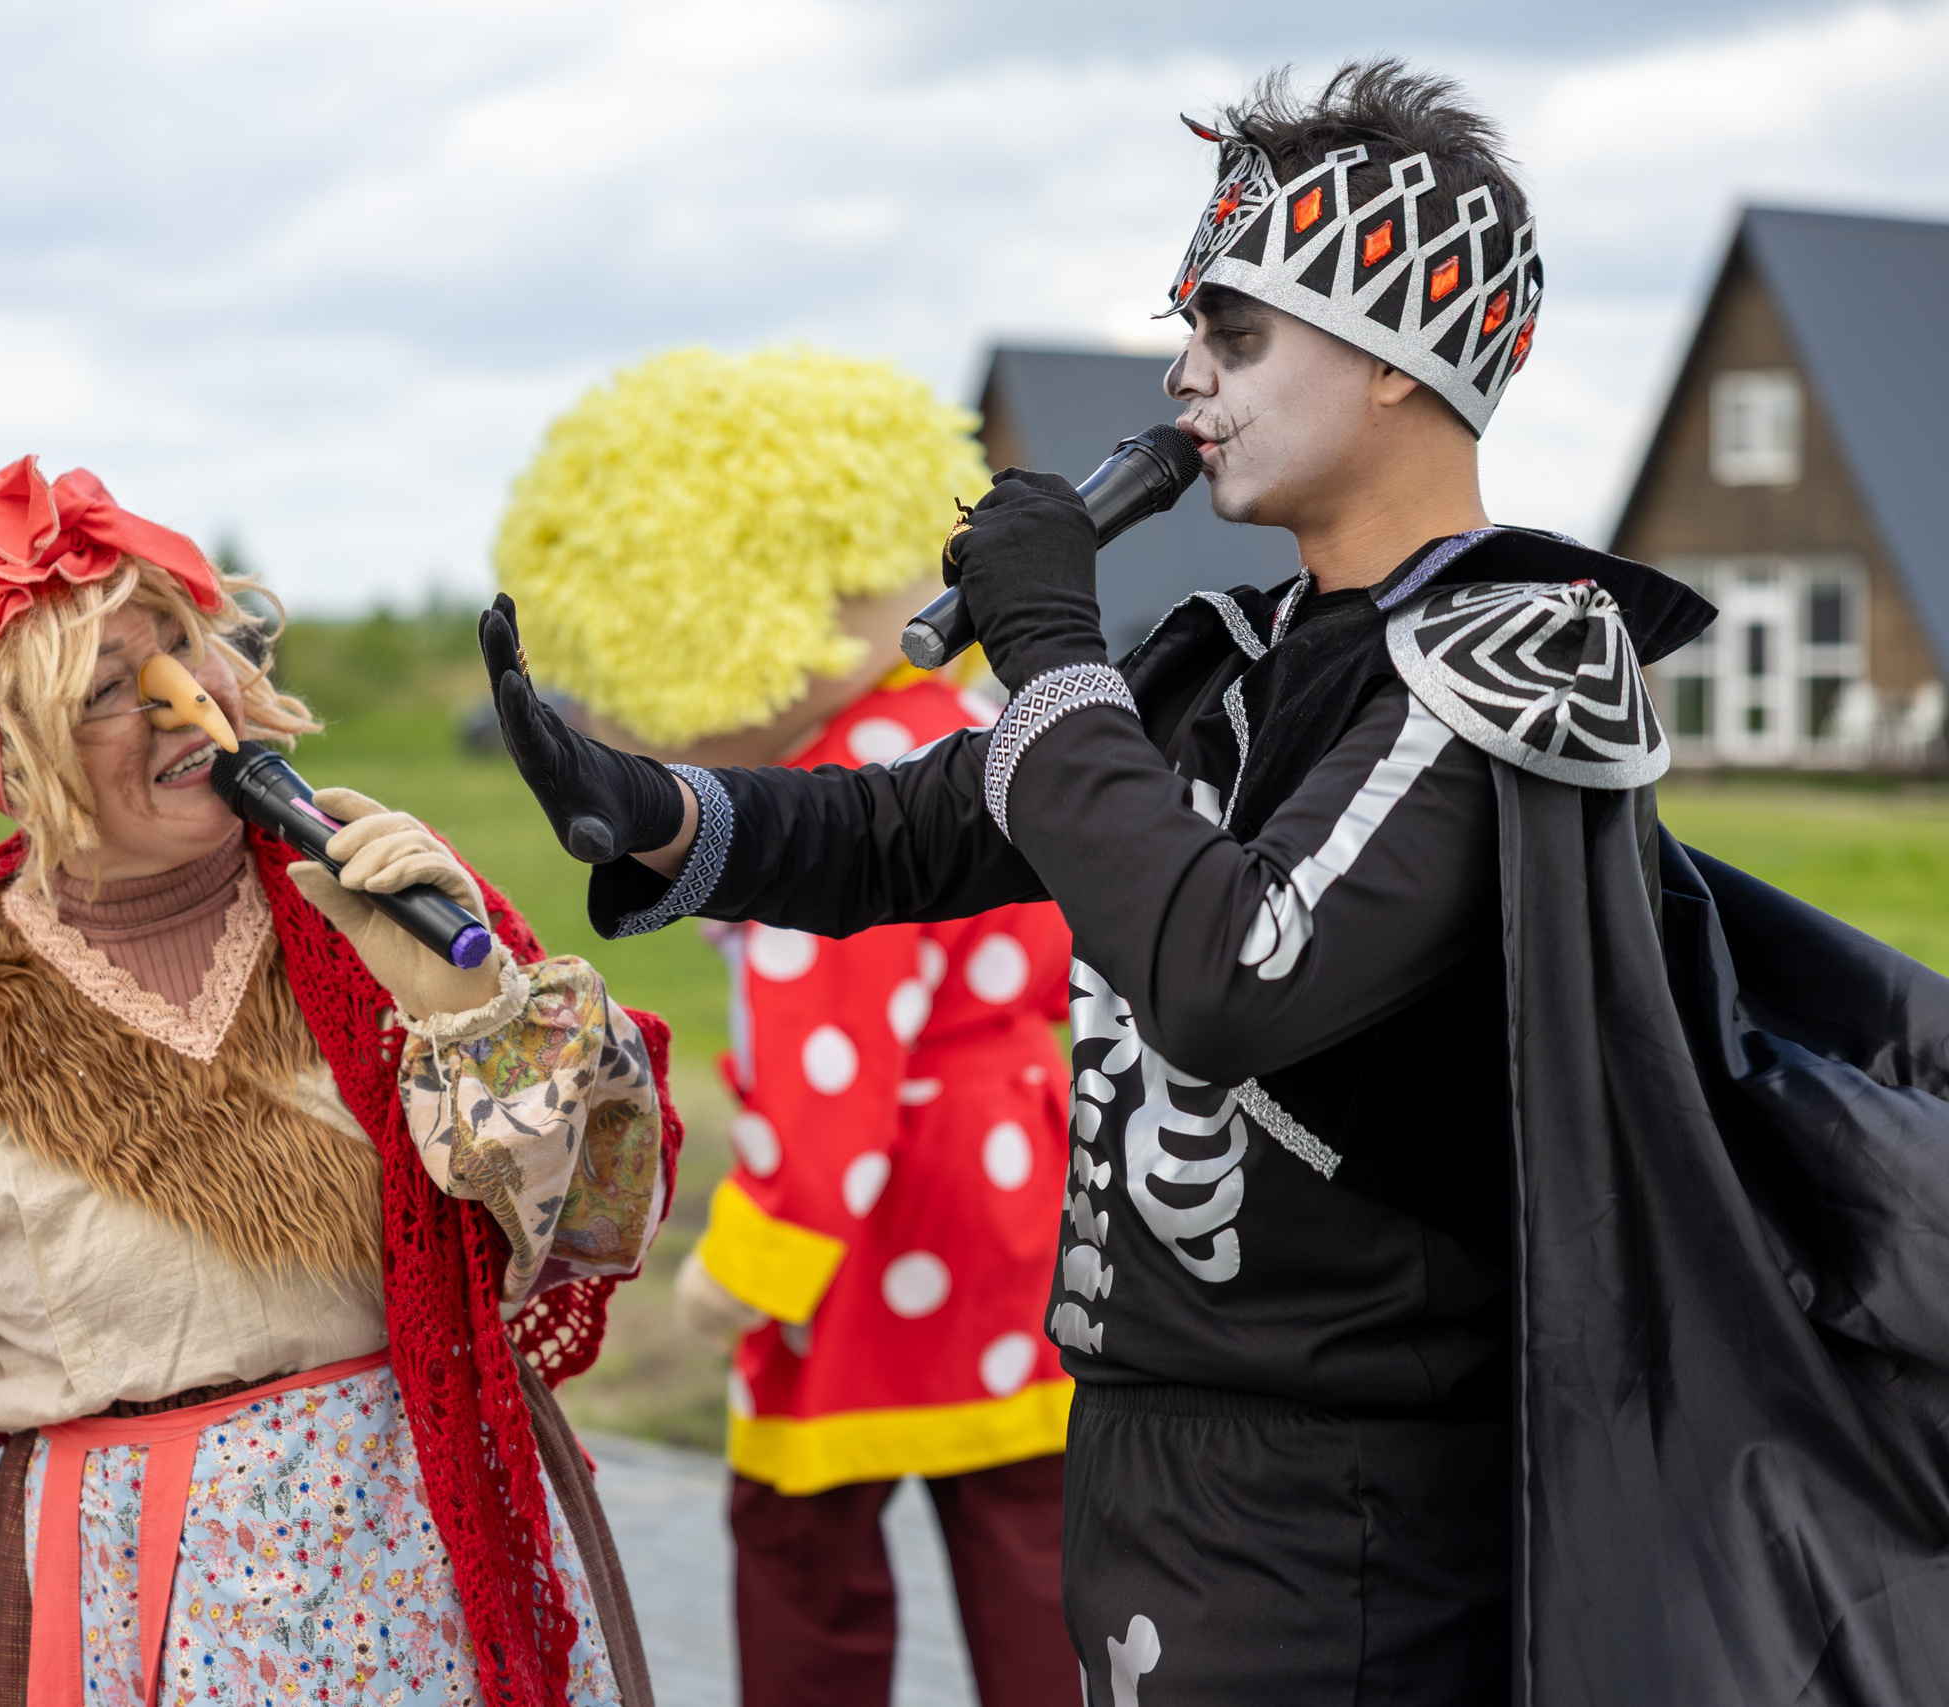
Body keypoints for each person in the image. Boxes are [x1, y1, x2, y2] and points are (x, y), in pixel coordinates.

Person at [481, 62, 1949, 1707]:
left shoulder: (1513, 653)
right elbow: (907, 829)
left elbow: (1235, 972)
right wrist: (650, 809)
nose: (1185, 376)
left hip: (1351, 1502)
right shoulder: (1228, 661)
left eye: (1237, 336)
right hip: (1139, 1447)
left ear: (1397, 355)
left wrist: (1050, 645)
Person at [0, 454, 680, 1707]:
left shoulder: (375, 910)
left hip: (437, 1601)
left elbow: (595, 1229)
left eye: (186, 646)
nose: (186, 702)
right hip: (131, 1628)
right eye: (107, 688)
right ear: (21, 759)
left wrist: (473, 1010)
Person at [492, 346, 1081, 1706]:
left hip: (874, 1228)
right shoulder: (968, 718)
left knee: (801, 1549)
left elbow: (834, 1081)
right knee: (1034, 1542)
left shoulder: (833, 794)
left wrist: (750, 1265)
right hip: (1017, 1191)